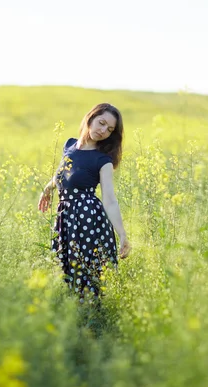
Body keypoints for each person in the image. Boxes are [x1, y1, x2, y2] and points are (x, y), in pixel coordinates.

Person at [38, 103, 131, 303]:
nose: (103, 131)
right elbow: (63, 174)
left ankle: (91, 318)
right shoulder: (69, 145)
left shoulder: (102, 160)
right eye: (101, 123)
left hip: (87, 219)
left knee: (86, 270)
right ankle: (72, 312)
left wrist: (122, 233)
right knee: (65, 266)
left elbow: (110, 199)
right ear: (90, 118)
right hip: (66, 216)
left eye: (109, 129)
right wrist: (47, 189)